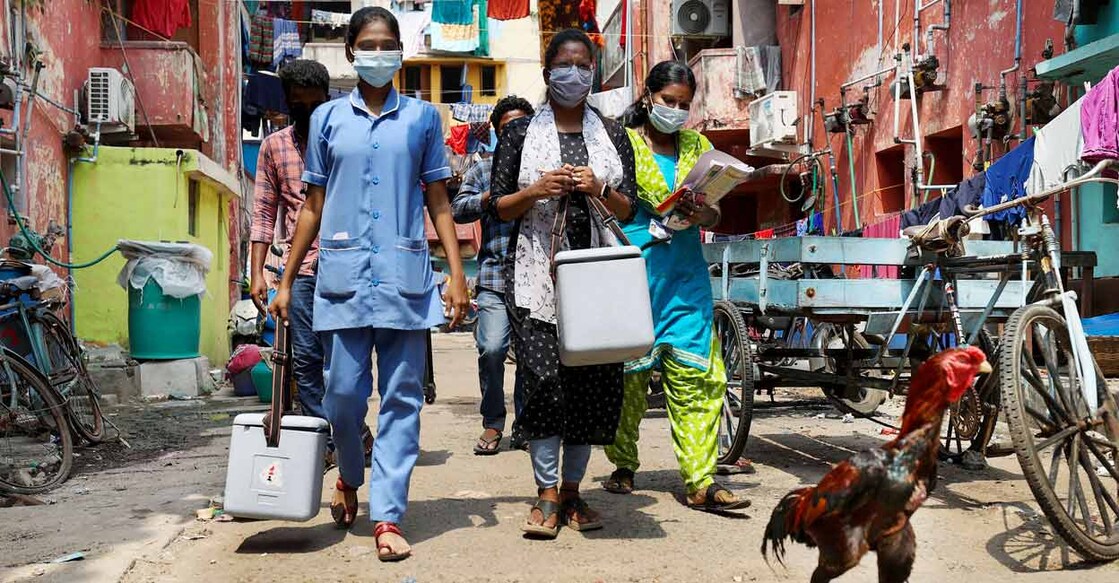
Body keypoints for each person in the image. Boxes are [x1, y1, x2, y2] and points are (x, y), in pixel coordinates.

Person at [269, 7, 469, 562]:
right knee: (342, 393)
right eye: (369, 44)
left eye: (389, 43)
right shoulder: (329, 119)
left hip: (406, 278)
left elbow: (437, 199)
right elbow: (311, 206)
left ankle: (388, 515)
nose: (380, 52)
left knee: (402, 399)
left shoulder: (425, 119)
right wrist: (286, 279)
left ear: (400, 50)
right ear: (353, 52)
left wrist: (454, 274)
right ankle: (350, 475)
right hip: (342, 277)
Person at [491, 29, 636, 539]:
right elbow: (499, 208)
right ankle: (546, 495)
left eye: (583, 65)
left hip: (599, 280)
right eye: (564, 64)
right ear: (548, 70)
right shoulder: (518, 134)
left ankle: (574, 494)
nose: (574, 73)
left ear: (592, 73)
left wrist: (600, 187)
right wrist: (536, 190)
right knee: (546, 384)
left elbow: (628, 208)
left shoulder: (614, 135)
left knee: (593, 387)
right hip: (536, 279)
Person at [602, 61, 750, 513]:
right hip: (635, 271)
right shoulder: (620, 143)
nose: (677, 111)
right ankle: (623, 462)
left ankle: (700, 480)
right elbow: (605, 200)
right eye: (669, 102)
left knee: (701, 378)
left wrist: (705, 213)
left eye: (684, 105)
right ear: (648, 96)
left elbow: (715, 213)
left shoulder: (698, 146)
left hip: (686, 275)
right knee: (627, 381)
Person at [248, 59, 372, 466]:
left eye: (312, 105)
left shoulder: (349, 140)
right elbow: (264, 214)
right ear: (287, 103)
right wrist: (258, 274)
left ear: (327, 100)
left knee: (346, 365)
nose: (305, 113)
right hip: (300, 270)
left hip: (349, 265)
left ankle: (352, 428)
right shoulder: (274, 147)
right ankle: (328, 440)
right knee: (305, 361)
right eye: (296, 105)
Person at [451, 95, 536, 455]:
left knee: (534, 356)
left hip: (536, 281)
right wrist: (490, 198)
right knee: (491, 348)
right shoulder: (483, 169)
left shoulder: (543, 167)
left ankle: (527, 425)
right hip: (495, 277)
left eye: (523, 128)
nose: (516, 135)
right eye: (508, 130)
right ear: (498, 134)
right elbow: (457, 209)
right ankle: (492, 421)